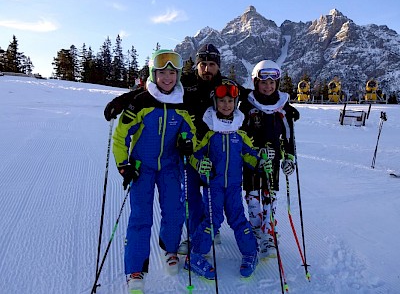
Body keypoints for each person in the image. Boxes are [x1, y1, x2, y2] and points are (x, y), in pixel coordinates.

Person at [104, 44, 235, 254]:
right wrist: (123, 100)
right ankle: (195, 236)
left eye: (212, 65)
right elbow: (154, 91)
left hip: (214, 146)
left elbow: (248, 98)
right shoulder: (186, 82)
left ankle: (209, 229)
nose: (207, 69)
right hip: (188, 147)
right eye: (203, 64)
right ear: (197, 65)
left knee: (213, 194)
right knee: (190, 195)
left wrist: (283, 106)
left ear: (218, 66)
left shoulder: (227, 84)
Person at [112, 49, 196, 293]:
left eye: (172, 72)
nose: (167, 78)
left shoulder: (182, 103)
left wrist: (187, 141)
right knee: (141, 216)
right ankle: (135, 269)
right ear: (153, 74)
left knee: (174, 210)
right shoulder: (141, 102)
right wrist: (123, 164)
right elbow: (120, 137)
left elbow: (191, 131)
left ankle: (171, 249)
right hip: (142, 168)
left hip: (170, 166)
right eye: (162, 73)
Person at [185, 79, 271, 279]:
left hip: (233, 186)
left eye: (230, 101)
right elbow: (194, 154)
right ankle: (195, 255)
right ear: (215, 103)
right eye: (222, 101)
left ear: (236, 103)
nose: (226, 105)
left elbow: (249, 154)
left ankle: (251, 253)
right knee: (213, 220)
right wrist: (200, 164)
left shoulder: (239, 132)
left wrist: (260, 162)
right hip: (212, 186)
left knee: (238, 219)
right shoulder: (209, 131)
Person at [239, 60, 299, 259]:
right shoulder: (247, 105)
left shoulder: (283, 107)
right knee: (253, 198)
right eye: (264, 82)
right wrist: (253, 153)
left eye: (273, 82)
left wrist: (289, 157)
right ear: (256, 82)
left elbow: (288, 136)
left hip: (272, 160)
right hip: (253, 160)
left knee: (269, 198)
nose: (268, 86)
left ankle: (269, 233)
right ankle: (257, 231)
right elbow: (241, 133)